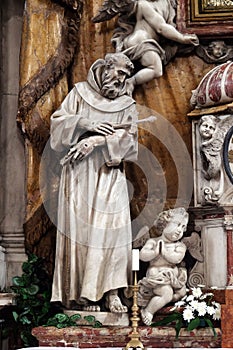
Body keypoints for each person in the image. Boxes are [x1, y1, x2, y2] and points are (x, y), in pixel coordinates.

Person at [50, 52, 138, 313]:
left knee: (114, 230)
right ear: (105, 67)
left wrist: (96, 141)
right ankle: (85, 295)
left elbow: (131, 142)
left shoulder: (126, 104)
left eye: (126, 75)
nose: (122, 79)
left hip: (110, 173)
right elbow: (57, 127)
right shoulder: (78, 94)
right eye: (120, 72)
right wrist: (86, 124)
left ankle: (112, 292)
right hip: (80, 175)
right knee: (85, 233)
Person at [93, 0, 199, 94]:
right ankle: (131, 82)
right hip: (141, 40)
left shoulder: (168, 3)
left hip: (145, 41)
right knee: (156, 70)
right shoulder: (144, 4)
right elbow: (161, 28)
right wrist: (182, 38)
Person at [138, 207, 188, 325]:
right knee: (166, 293)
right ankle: (149, 310)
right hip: (157, 276)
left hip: (173, 278)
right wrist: (155, 252)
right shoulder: (153, 242)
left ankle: (163, 301)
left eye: (183, 227)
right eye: (177, 224)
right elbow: (142, 255)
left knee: (182, 293)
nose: (179, 230)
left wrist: (164, 252)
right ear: (165, 223)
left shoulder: (179, 246)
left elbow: (177, 258)